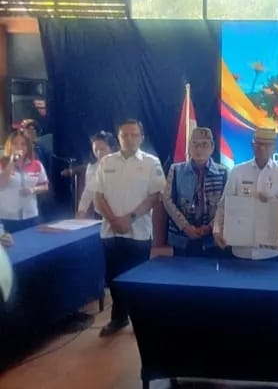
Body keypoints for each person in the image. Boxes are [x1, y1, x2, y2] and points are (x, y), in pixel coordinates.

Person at [94, 119, 166, 337]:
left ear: (141, 138)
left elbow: (156, 196)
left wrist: (130, 218)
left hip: (139, 231)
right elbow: (98, 196)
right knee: (114, 279)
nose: (129, 139)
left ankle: (141, 320)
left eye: (134, 135)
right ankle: (118, 318)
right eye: (125, 135)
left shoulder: (151, 162)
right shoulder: (106, 162)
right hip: (110, 230)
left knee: (137, 278)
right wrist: (114, 220)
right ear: (118, 138)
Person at [213, 127, 278, 260]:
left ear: (274, 147)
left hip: (272, 252)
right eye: (258, 143)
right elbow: (223, 205)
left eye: (266, 144)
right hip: (241, 249)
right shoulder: (237, 172)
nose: (262, 148)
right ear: (252, 145)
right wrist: (217, 229)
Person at [162, 128, 228, 258]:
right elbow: (167, 200)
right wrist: (185, 226)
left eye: (204, 145)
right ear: (189, 147)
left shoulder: (223, 172)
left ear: (212, 147)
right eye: (195, 144)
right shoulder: (176, 170)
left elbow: (226, 204)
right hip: (182, 237)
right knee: (181, 270)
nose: (199, 149)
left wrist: (210, 227)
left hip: (212, 238)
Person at [0, 130, 49, 233]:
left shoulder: (37, 164)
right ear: (9, 146)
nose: (19, 147)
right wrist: (12, 162)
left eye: (23, 144)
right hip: (7, 218)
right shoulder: (2, 164)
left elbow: (45, 186)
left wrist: (33, 189)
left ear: (28, 147)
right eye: (15, 144)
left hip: (31, 216)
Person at [75, 131, 118, 219]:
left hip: (120, 213)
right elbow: (88, 191)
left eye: (102, 149)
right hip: (100, 214)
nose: (99, 153)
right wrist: (81, 211)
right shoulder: (92, 167)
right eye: (96, 150)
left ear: (112, 148)